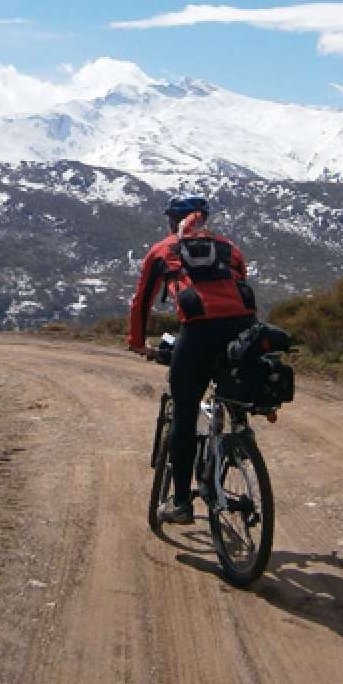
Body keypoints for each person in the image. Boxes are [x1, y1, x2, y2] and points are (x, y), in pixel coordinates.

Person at [127, 195, 257, 523]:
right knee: (235, 393)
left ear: (174, 221)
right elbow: (241, 289)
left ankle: (182, 502)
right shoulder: (230, 248)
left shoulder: (163, 250)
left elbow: (141, 302)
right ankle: (240, 438)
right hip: (243, 330)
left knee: (184, 413)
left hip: (198, 334)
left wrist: (139, 343)